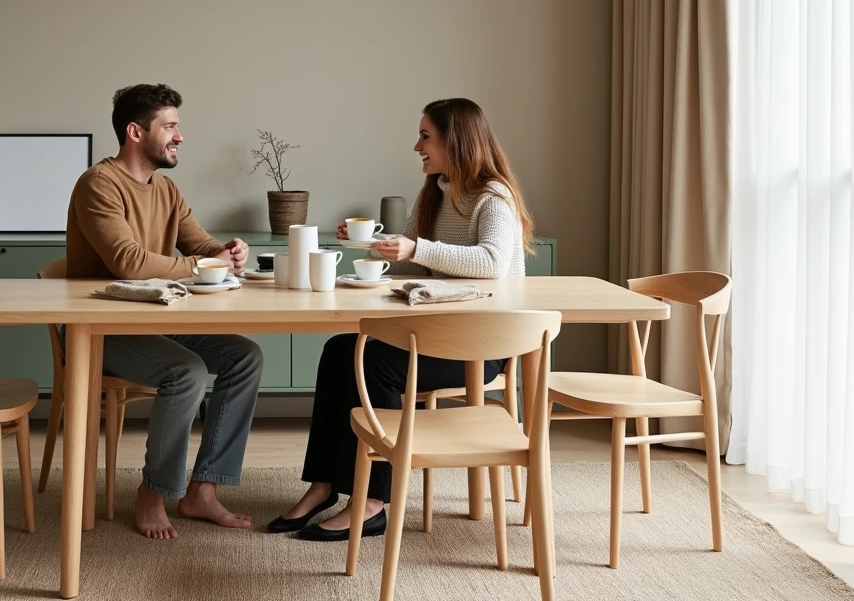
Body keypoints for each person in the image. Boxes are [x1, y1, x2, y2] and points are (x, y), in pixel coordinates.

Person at [268, 97, 535, 541]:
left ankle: (373, 502)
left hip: (480, 349)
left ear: (456, 141)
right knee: (339, 351)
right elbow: (416, 264)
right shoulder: (435, 192)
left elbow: (490, 262)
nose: (417, 146)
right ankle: (324, 485)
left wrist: (416, 249)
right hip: (435, 337)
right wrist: (374, 247)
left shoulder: (494, 197)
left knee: (374, 365)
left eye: (425, 136)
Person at [67, 83, 264, 540]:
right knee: (188, 371)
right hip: (99, 330)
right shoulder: (99, 185)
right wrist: (204, 264)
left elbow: (201, 245)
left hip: (155, 322)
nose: (180, 136)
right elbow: (129, 263)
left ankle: (203, 491)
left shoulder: (166, 189)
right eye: (170, 126)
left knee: (245, 355)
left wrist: (228, 252)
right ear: (136, 132)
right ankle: (154, 492)